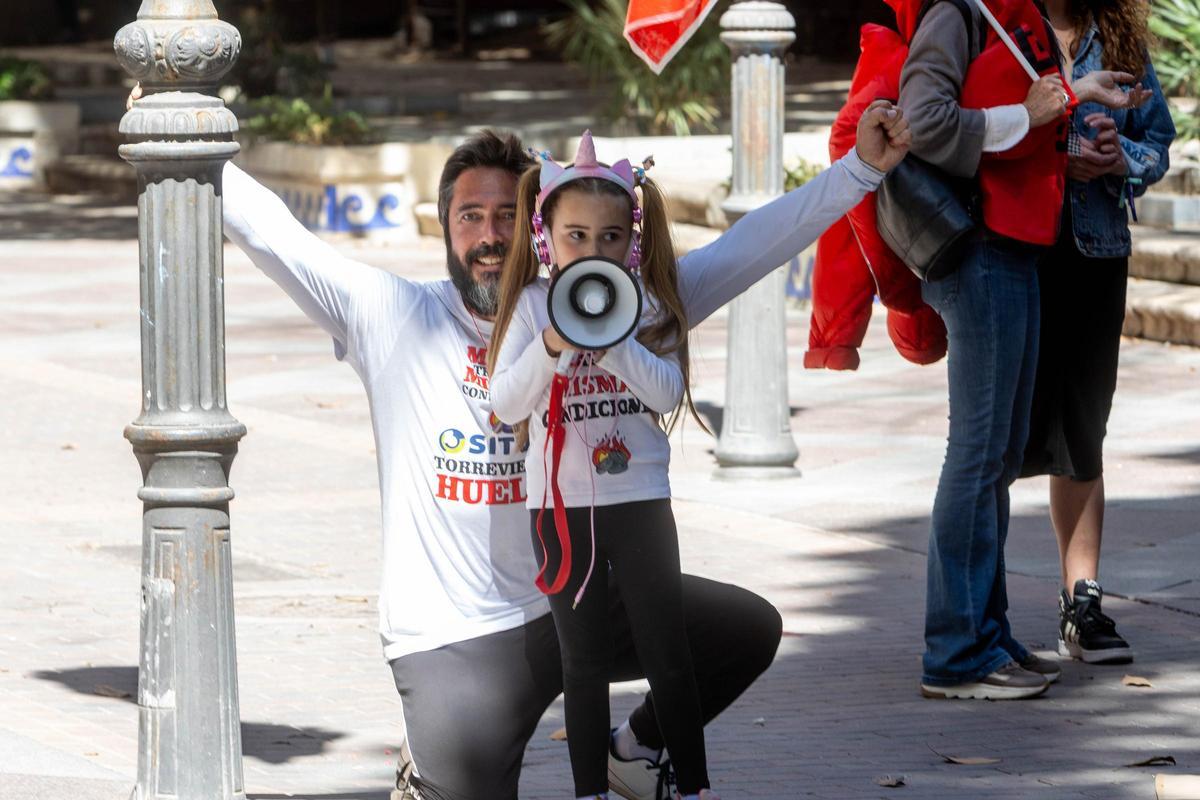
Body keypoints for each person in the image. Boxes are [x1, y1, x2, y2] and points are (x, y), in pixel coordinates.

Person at [193, 102, 910, 797]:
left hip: (579, 594)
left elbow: (752, 246)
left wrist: (860, 170)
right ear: (446, 228)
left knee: (745, 631)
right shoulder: (394, 314)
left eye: (507, 215)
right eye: (469, 216)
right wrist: (180, 130)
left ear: (538, 230)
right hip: (458, 636)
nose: (489, 236)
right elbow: (274, 233)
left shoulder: (628, 306)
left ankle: (634, 755)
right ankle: (429, 768)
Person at [898, 0, 1144, 701]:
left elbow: (1033, 123)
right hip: (977, 248)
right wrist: (1028, 115)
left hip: (1017, 248)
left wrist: (1073, 98)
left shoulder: (1013, 16)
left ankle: (987, 636)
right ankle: (956, 654)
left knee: (999, 455)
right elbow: (921, 124)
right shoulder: (958, 13)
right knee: (978, 454)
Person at [488, 133, 716, 800]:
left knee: (667, 655)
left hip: (639, 499)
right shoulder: (532, 306)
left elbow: (666, 393)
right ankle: (589, 791)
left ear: (632, 242)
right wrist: (553, 343)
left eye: (610, 237)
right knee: (582, 662)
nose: (593, 251)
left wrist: (612, 338)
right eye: (577, 236)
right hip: (559, 508)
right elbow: (506, 404)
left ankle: (696, 787)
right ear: (546, 238)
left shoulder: (646, 301)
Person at [1020, 0, 1174, 666]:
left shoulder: (1117, 37)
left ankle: (1081, 603)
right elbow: (976, 132)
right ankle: (975, 614)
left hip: (1096, 253)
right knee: (996, 435)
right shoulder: (999, 23)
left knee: (1083, 431)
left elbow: (1157, 144)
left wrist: (1117, 159)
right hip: (1012, 255)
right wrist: (1058, 156)